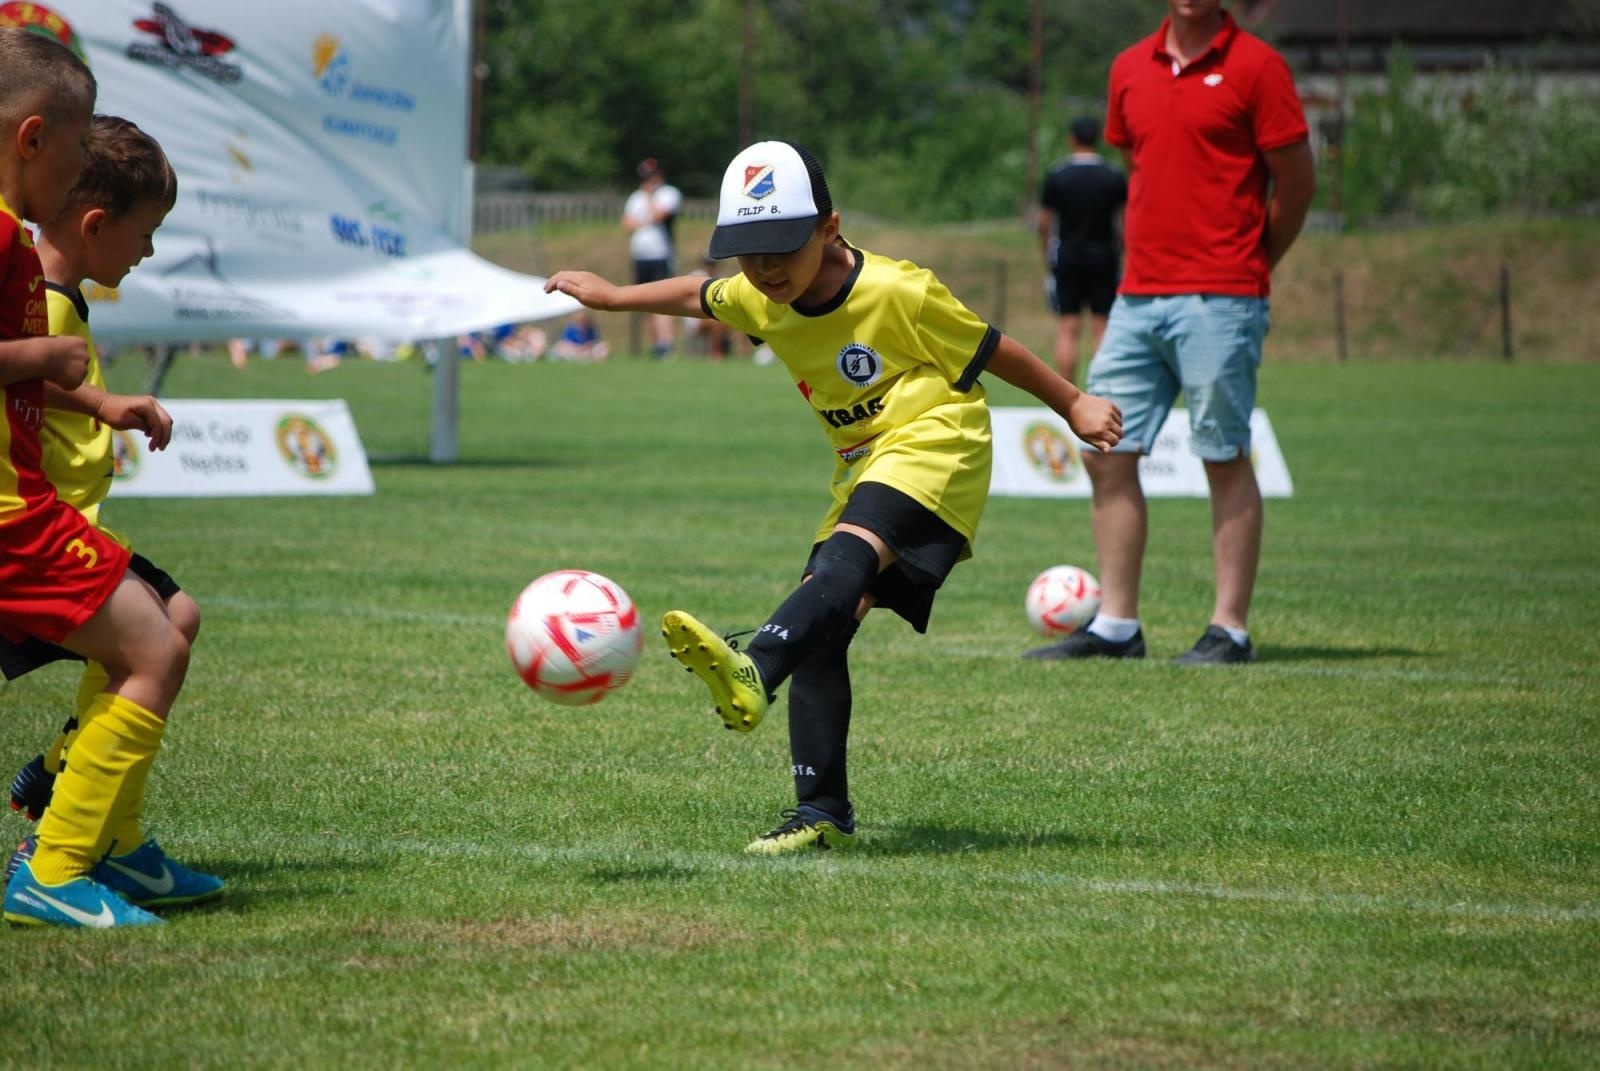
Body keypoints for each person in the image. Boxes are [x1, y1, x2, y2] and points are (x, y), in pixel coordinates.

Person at [547, 141, 1122, 854]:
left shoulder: (900, 291)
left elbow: (994, 348)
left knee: (842, 563)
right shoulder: (759, 294)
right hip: (862, 463)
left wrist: (1072, 403)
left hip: (939, 440)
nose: (765, 268)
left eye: (782, 245)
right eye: (749, 252)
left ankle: (756, 664)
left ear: (830, 227)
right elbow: (697, 294)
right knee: (825, 618)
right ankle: (822, 814)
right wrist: (611, 296)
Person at [1024, 0, 1316, 667]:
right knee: (1106, 450)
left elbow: (1297, 186)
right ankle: (1117, 626)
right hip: (1137, 294)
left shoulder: (1258, 67)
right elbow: (1146, 168)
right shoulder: (1129, 68)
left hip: (1223, 294)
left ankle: (1228, 629)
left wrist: (1251, 264)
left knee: (1223, 452)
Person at [0, 56, 212, 928]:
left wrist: (90, 398)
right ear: (34, 138)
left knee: (170, 627)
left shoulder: (17, 248)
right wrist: (48, 363)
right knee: (156, 646)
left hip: (33, 517)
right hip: (19, 519)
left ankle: (101, 836)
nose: (151, 250)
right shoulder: (18, 259)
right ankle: (56, 851)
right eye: (78, 141)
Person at [1038, 116, 1126, 383]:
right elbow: (1125, 220)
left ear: (1072, 138)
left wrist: (1046, 255)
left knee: (1068, 326)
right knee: (1102, 326)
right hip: (1103, 254)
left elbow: (1044, 223)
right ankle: (1101, 389)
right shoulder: (1113, 175)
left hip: (1068, 254)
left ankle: (1067, 390)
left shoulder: (1058, 175)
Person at [620, 158, 682, 358]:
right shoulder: (634, 197)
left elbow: (658, 215)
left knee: (662, 300)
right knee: (645, 301)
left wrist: (648, 200)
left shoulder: (669, 194)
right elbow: (627, 224)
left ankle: (666, 343)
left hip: (660, 253)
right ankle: (656, 345)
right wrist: (644, 218)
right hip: (640, 255)